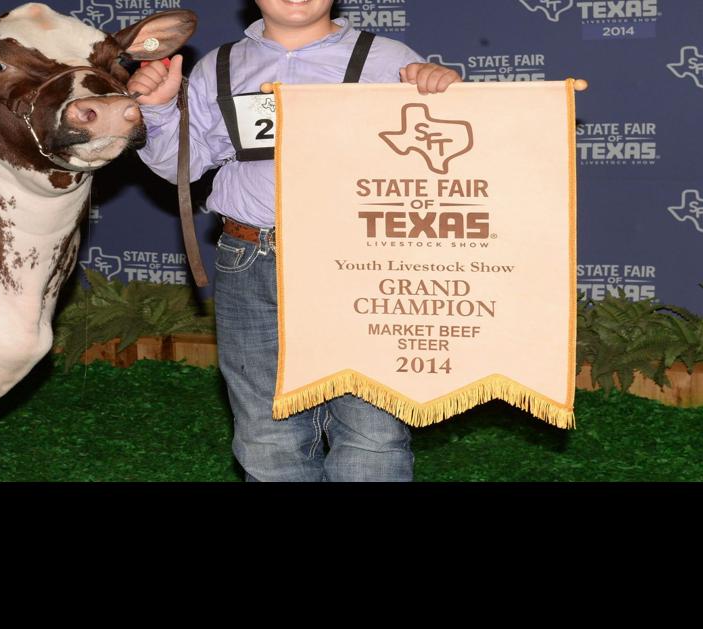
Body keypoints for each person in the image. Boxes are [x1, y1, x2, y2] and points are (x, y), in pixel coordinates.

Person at [127, 0, 461, 482]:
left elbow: (443, 147)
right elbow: (185, 164)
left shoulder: (386, 58)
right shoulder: (218, 65)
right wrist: (158, 110)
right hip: (248, 257)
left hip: (360, 260)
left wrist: (444, 93)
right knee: (267, 432)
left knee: (373, 430)